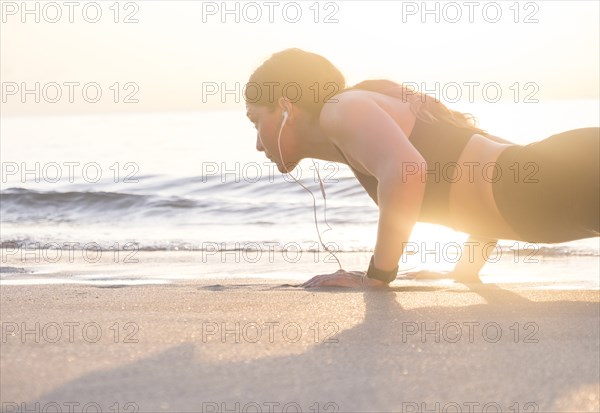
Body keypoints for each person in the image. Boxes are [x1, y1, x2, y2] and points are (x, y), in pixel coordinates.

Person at [244, 48, 599, 288]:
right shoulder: (359, 120)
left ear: (285, 107)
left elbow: (408, 171)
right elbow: (487, 175)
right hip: (561, 183)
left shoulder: (341, 108)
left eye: (255, 120)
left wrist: (378, 276)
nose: (258, 144)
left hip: (571, 176)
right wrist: (463, 273)